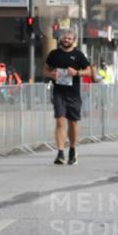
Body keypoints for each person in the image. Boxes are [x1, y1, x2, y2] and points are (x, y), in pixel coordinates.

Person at [44, 29, 91, 165]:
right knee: (60, 121)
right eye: (65, 38)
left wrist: (76, 73)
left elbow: (89, 71)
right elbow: (45, 69)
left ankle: (72, 149)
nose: (66, 40)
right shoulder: (54, 54)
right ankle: (60, 153)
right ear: (61, 39)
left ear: (73, 41)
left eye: (69, 38)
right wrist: (51, 75)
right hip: (58, 92)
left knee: (73, 123)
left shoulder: (78, 55)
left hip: (73, 94)